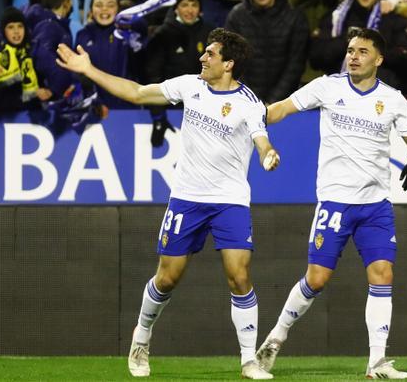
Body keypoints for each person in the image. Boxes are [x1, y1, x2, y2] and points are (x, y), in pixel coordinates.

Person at [54, 30, 281, 381]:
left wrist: (268, 153)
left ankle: (249, 360)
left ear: (228, 63)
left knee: (239, 276)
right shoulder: (189, 85)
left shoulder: (248, 102)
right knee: (167, 278)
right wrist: (89, 69)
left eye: (210, 54)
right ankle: (141, 340)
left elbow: (260, 138)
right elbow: (137, 92)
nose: (202, 58)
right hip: (187, 199)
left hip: (229, 201)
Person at [257, 27, 407, 381]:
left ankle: (377, 363)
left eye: (362, 51)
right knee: (316, 280)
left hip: (375, 206)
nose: (353, 56)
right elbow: (281, 109)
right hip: (335, 203)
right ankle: (276, 336)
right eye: (350, 50)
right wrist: (251, 116)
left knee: (383, 274)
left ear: (378, 59)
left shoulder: (394, 99)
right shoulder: (327, 87)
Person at [225, 0, 309, 103]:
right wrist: (253, 101)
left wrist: (273, 102)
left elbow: (295, 65)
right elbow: (232, 63)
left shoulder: (294, 17)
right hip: (245, 102)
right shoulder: (236, 17)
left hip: (284, 104)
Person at [143, 0, 213, 146]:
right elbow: (153, 76)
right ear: (176, 8)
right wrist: (158, 115)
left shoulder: (210, 33)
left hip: (203, 112)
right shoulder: (163, 34)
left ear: (200, 8)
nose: (189, 10)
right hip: (171, 109)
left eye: (194, 4)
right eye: (184, 5)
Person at [310, 0, 385, 74]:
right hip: (336, 83)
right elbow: (316, 58)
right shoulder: (335, 16)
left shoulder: (387, 17)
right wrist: (347, 39)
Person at [74, 0, 134, 109]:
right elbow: (79, 74)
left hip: (126, 107)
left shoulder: (129, 34)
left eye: (110, 5)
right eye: (99, 5)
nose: (104, 9)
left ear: (118, 9)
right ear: (91, 10)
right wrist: (94, 102)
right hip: (94, 108)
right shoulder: (82, 35)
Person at [29, 0, 76, 98]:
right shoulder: (49, 25)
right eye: (71, 0)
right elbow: (42, 56)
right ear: (66, 2)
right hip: (49, 97)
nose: (72, 4)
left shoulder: (54, 23)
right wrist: (54, 88)